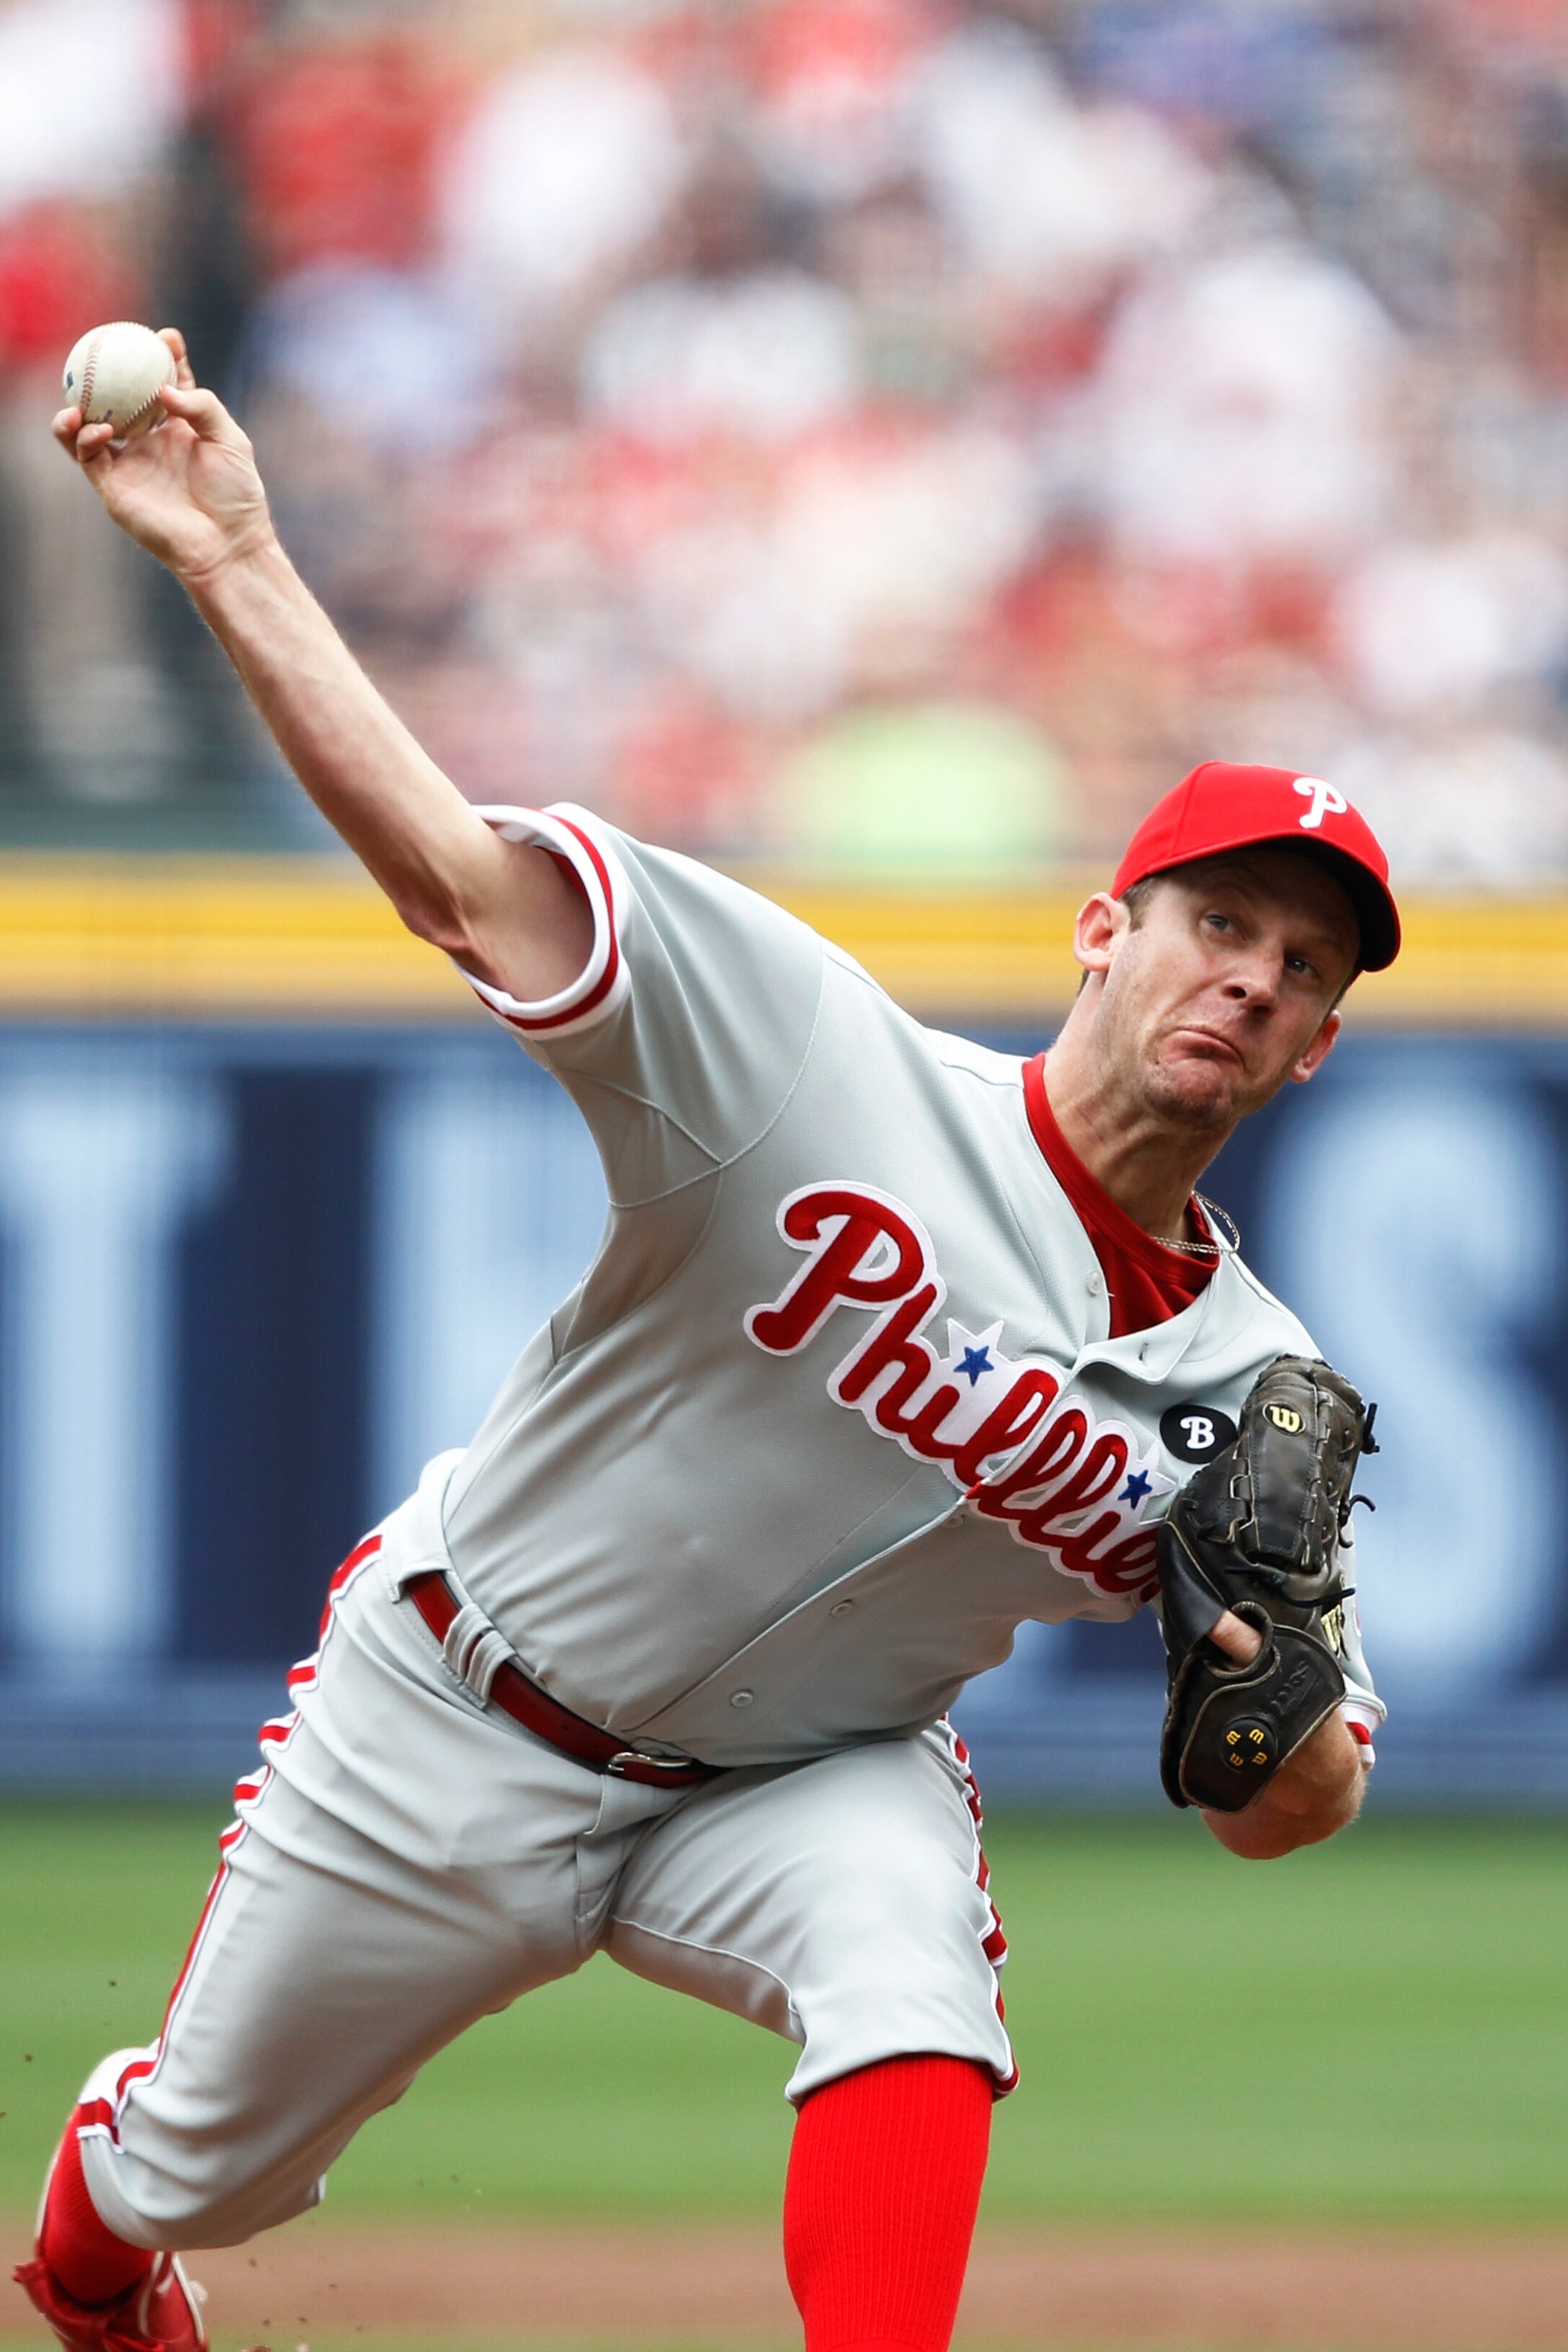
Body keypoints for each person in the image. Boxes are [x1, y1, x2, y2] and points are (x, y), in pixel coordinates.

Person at [19, 332, 1395, 2352]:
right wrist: (234, 559)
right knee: (184, 2170)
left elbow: (1288, 1797)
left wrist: (1267, 1707)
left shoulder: (1246, 1400)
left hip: (802, 1774)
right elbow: (455, 879)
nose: (1249, 978)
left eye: (1299, 965)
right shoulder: (808, 1054)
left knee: (910, 1957)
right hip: (459, 1704)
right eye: (1217, 921)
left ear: (1318, 1040)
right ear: (1107, 927)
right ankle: (102, 2255)